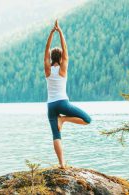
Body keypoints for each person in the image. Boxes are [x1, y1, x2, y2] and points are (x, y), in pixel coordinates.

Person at [44, 19, 92, 169]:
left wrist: (51, 33)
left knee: (56, 136)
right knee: (87, 119)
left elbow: (46, 50)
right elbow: (65, 49)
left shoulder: (48, 70)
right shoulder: (63, 69)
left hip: (51, 105)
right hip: (63, 103)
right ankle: (63, 120)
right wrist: (60, 32)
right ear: (61, 58)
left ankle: (62, 164)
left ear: (52, 58)